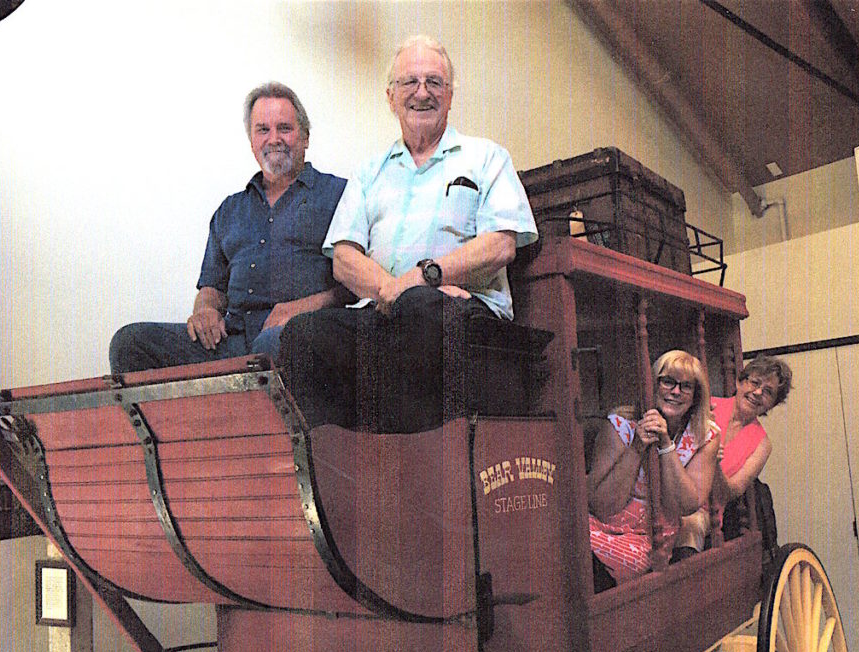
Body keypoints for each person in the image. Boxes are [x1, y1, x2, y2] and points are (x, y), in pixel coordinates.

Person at [279, 35, 537, 433]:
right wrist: (393, 292)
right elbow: (345, 259)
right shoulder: (370, 171)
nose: (422, 93)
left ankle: (413, 469)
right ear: (391, 96)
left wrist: (427, 279)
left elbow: (502, 244)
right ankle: (339, 474)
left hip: (464, 314)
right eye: (409, 83)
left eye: (434, 82)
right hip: (385, 314)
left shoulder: (487, 157)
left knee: (421, 310)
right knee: (304, 333)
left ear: (450, 96)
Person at [108, 82, 347, 373]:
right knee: (130, 342)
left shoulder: (338, 195)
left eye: (284, 128)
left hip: (300, 338)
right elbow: (212, 287)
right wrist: (205, 310)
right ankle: (172, 421)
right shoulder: (230, 210)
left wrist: (300, 309)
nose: (274, 139)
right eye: (263, 130)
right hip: (231, 341)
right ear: (251, 140)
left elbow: (354, 287)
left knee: (272, 346)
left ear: (305, 137)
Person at [587, 350, 720, 588]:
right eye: (668, 381)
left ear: (695, 396)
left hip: (647, 538)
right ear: (653, 385)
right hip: (599, 528)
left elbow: (686, 505)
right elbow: (602, 506)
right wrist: (637, 447)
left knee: (610, 575)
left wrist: (666, 444)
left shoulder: (705, 435)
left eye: (686, 386)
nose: (676, 391)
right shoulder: (619, 424)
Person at [673, 355, 794, 556]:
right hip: (672, 493)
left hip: (703, 512)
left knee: (689, 526)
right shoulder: (707, 406)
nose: (757, 393)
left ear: (772, 404)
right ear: (740, 381)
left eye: (768, 392)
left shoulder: (763, 445)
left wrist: (715, 463)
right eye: (754, 383)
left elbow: (730, 493)